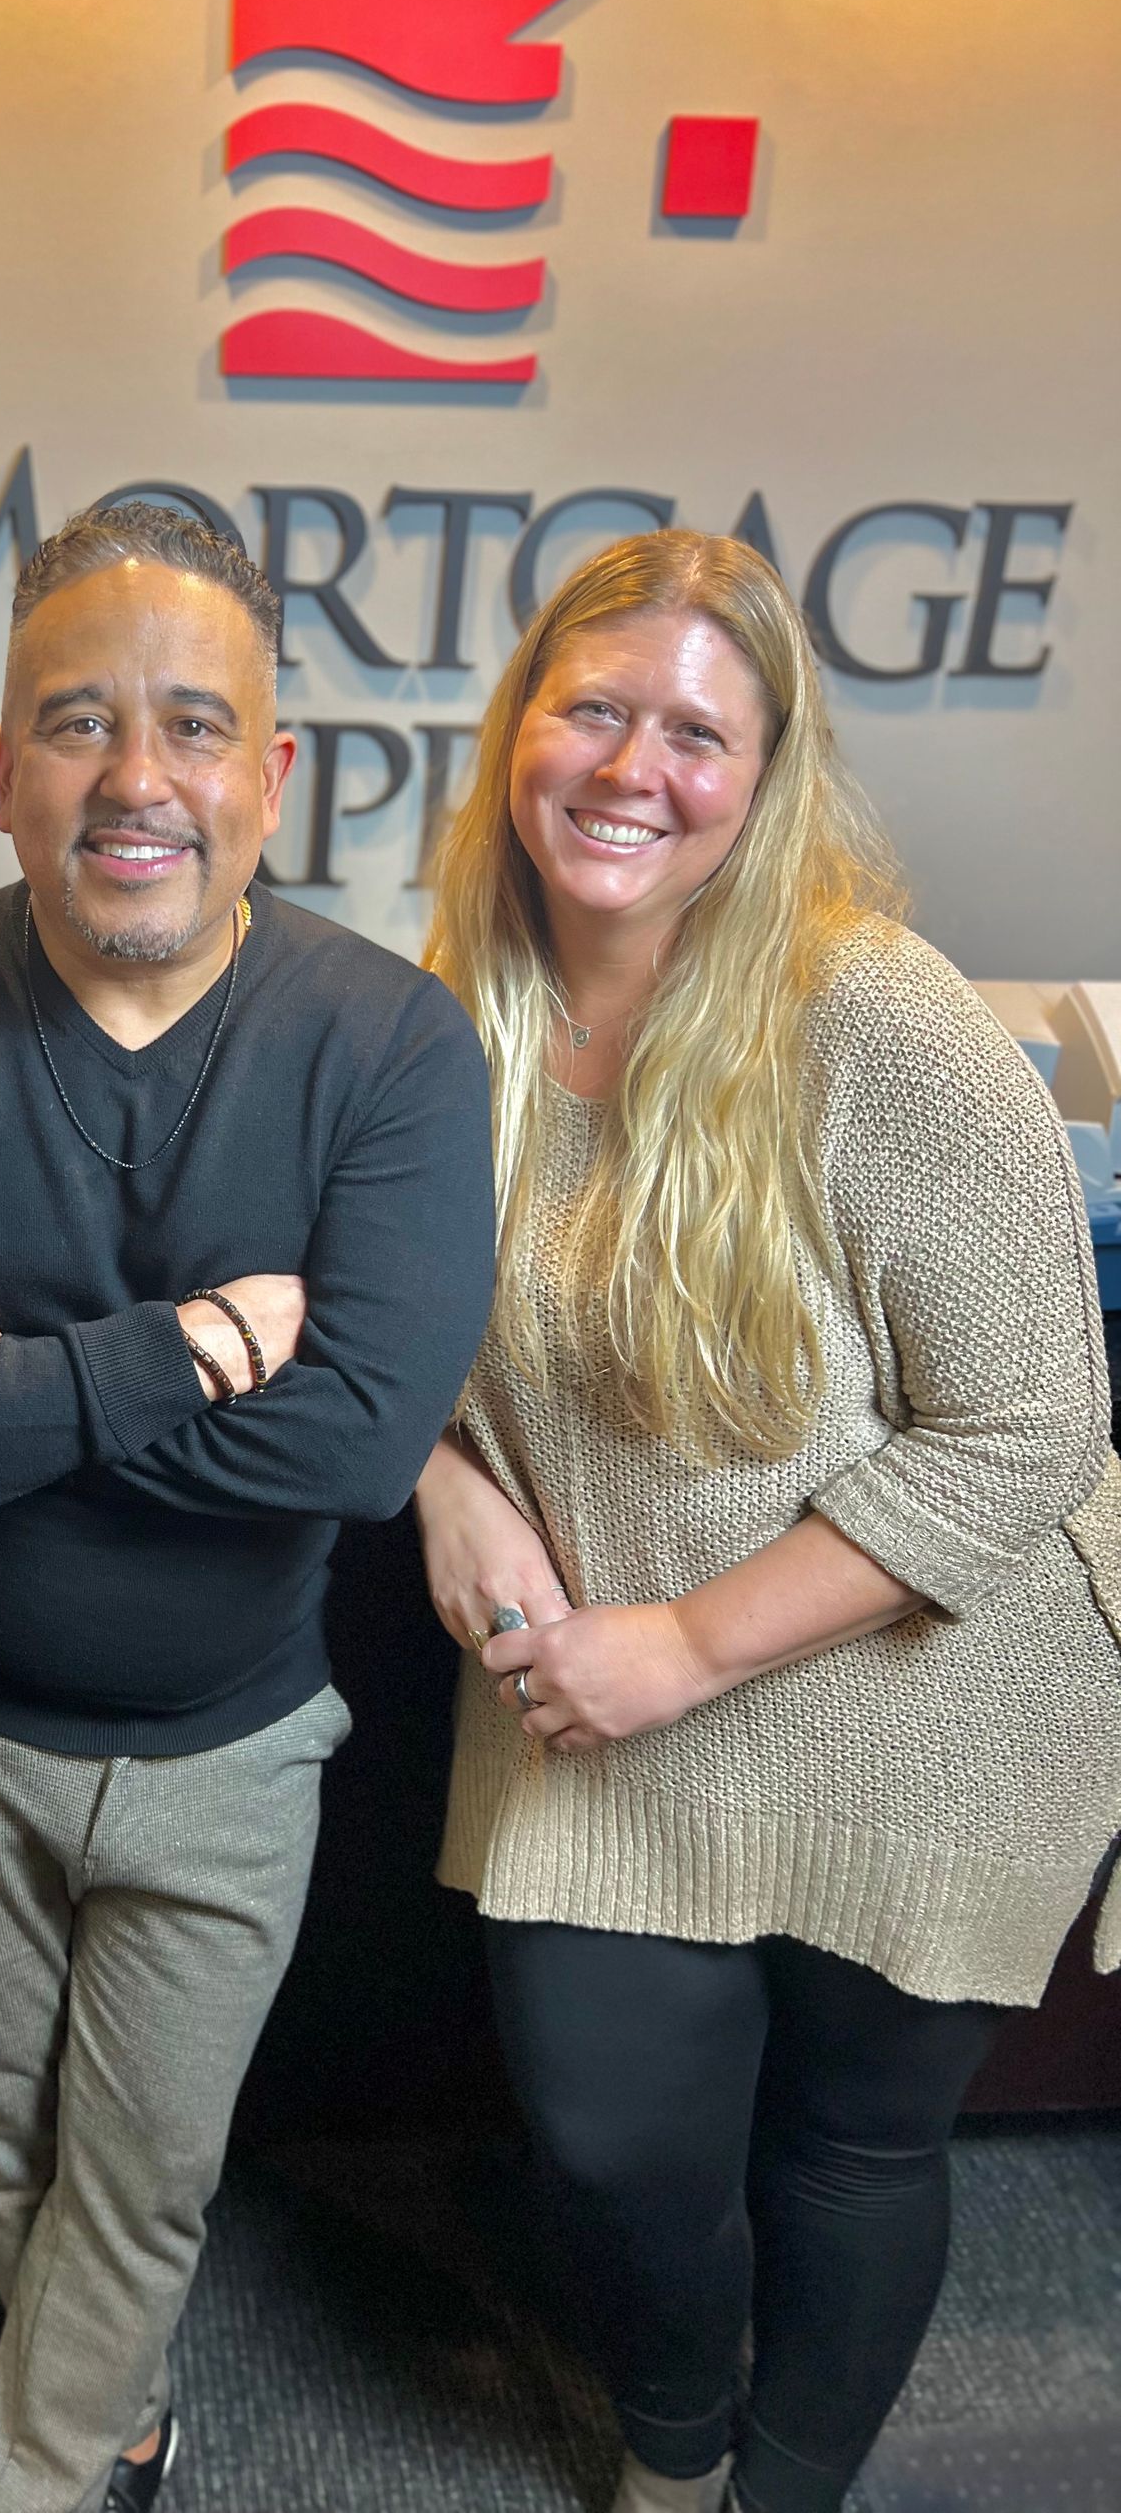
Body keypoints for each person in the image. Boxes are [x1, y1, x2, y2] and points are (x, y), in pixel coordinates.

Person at [0, 500, 494, 2513]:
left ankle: (47, 2475)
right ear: (0, 773)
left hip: (233, 1741)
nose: (135, 778)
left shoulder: (392, 1045)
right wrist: (172, 1353)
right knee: (7, 2152)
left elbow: (348, 1446)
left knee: (144, 2160)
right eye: (76, 723)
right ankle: (129, 2413)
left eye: (191, 725)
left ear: (274, 775)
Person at [414, 527, 1121, 2513]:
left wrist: (696, 1641)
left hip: (921, 1679)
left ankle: (778, 2488)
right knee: (610, 2143)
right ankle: (673, 2441)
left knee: (850, 2148)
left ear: (767, 772)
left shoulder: (869, 1013)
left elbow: (1032, 1426)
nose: (637, 764)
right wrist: (436, 1479)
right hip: (595, 1699)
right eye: (596, 707)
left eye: (699, 732)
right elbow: (361, 1326)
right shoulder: (442, 1009)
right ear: (523, 728)